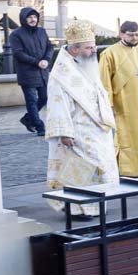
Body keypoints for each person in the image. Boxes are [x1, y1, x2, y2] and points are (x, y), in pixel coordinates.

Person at [45, 19, 116, 215]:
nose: (93, 51)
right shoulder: (61, 75)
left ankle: (96, 207)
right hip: (77, 131)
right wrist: (64, 133)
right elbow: (58, 105)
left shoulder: (88, 65)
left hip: (97, 128)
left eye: (93, 47)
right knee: (82, 170)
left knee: (99, 169)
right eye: (89, 48)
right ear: (75, 49)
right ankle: (77, 209)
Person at [98, 21, 138, 177]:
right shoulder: (109, 53)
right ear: (121, 34)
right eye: (131, 35)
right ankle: (126, 169)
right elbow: (104, 81)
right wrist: (109, 104)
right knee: (125, 135)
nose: (135, 38)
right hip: (123, 102)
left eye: (137, 34)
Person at [8, 7, 55, 136]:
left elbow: (50, 47)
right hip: (27, 73)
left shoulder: (42, 32)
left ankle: (28, 119)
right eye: (29, 17)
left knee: (44, 97)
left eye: (35, 17)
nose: (33, 19)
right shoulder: (16, 35)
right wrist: (36, 62)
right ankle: (40, 126)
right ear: (24, 19)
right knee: (32, 100)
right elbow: (18, 53)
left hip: (42, 72)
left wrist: (46, 59)